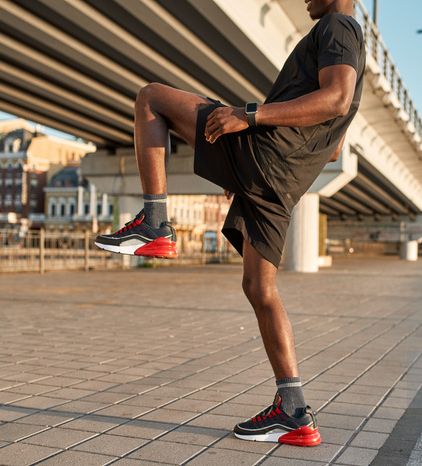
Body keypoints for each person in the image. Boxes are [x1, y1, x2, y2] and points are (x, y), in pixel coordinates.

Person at [95, 0, 365, 446]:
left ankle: (155, 224)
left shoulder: (337, 26)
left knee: (151, 97)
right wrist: (259, 179)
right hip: (282, 183)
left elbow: (333, 99)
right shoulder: (354, 48)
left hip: (268, 159)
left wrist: (249, 117)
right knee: (260, 289)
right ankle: (294, 413)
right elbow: (332, 147)